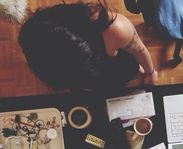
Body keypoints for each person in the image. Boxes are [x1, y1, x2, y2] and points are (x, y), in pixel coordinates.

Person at [18, 2, 158, 94]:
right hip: (88, 82)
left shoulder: (116, 29)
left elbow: (139, 49)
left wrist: (150, 73)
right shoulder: (33, 38)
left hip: (118, 70)